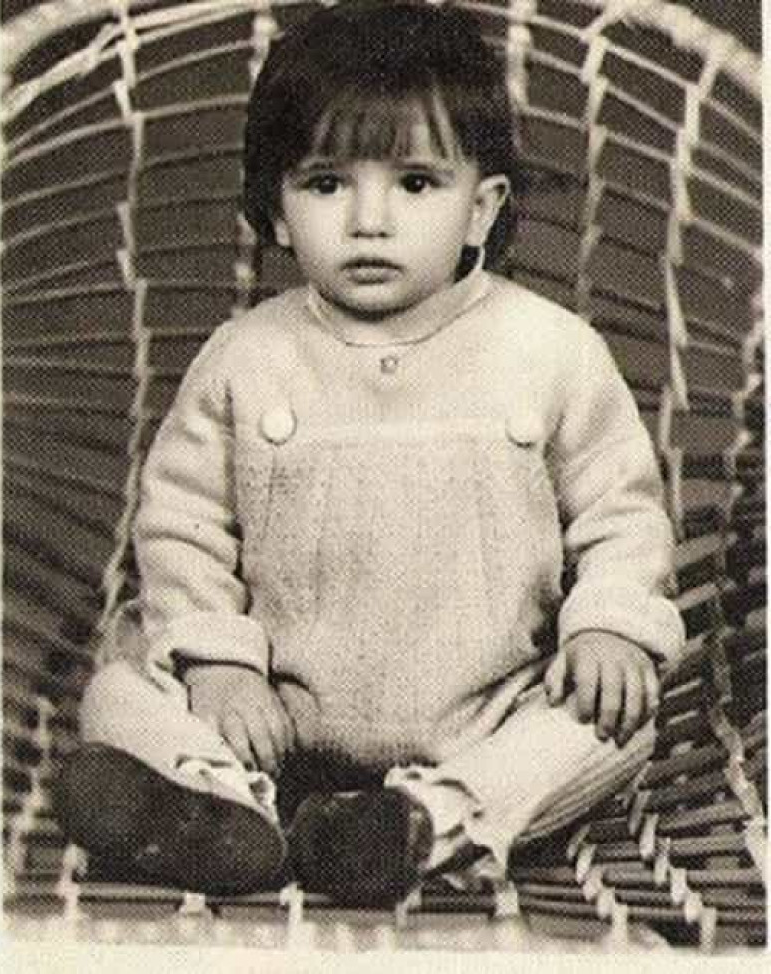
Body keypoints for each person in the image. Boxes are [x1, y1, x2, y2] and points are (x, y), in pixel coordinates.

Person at [54, 0, 685, 905]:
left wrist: (608, 625)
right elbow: (184, 525)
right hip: (271, 713)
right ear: (277, 211)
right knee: (116, 690)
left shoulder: (550, 351)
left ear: (482, 208)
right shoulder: (246, 357)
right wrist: (221, 665)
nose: (369, 220)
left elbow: (620, 511)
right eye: (326, 185)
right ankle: (225, 809)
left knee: (613, 724)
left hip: (487, 712)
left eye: (416, 184)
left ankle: (422, 823)